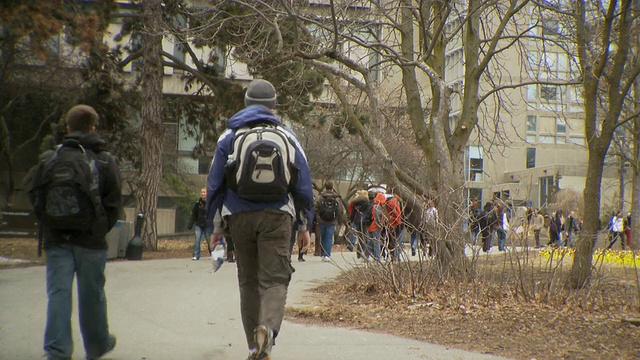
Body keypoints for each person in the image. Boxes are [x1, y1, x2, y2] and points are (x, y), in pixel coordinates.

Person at [206, 79, 314, 360]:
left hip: (238, 215)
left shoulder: (229, 135)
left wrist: (215, 226)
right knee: (275, 279)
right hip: (278, 215)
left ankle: (255, 348)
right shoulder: (287, 136)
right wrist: (304, 224)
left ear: (246, 103)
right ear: (273, 105)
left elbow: (215, 183)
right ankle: (267, 329)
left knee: (248, 283)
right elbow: (302, 185)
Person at [28, 105, 122, 360]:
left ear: (67, 127)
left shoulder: (50, 158)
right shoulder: (104, 160)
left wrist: (50, 224)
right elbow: (114, 203)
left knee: (58, 293)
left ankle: (57, 350)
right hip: (91, 241)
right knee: (92, 294)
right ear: (93, 127)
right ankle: (97, 345)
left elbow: (35, 196)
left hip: (56, 238)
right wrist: (99, 229)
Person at [315, 181, 345, 262]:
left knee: (323, 236)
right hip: (332, 220)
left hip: (321, 219)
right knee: (329, 237)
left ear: (325, 187)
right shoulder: (336, 198)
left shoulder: (320, 197)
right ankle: (326, 255)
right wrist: (339, 220)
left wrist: (317, 217)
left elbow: (315, 207)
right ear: (332, 187)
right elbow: (340, 210)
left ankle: (322, 253)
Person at [187, 187, 210, 260]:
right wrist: (190, 224)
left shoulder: (210, 203)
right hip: (199, 225)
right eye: (202, 192)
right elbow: (194, 214)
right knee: (197, 240)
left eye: (204, 192)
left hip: (207, 225)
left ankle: (213, 254)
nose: (203, 194)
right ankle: (196, 255)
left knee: (209, 240)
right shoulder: (197, 204)